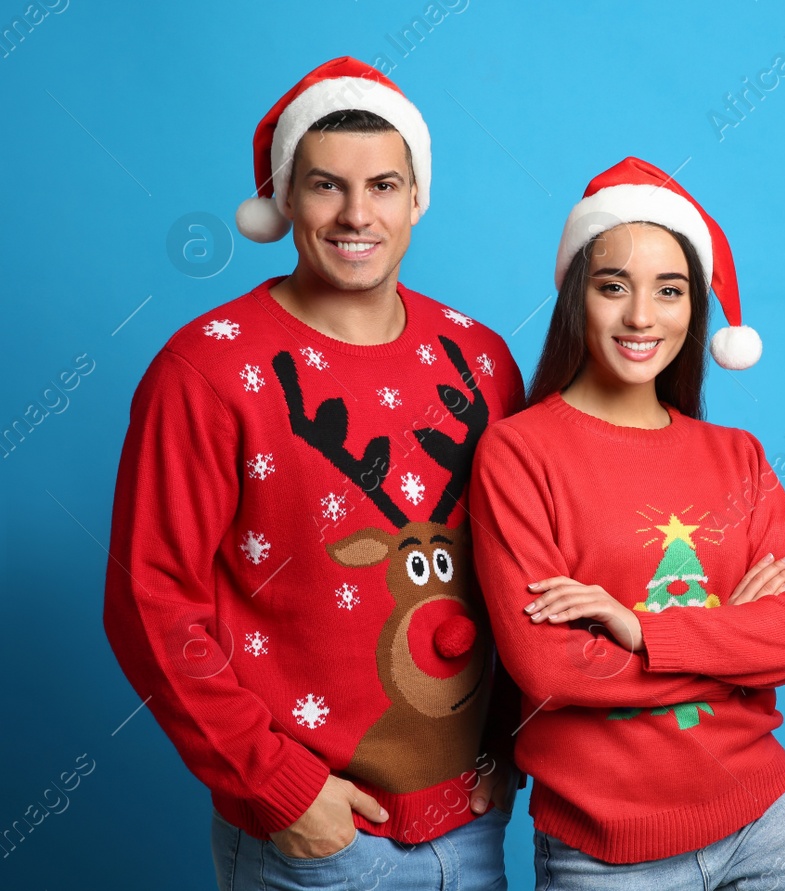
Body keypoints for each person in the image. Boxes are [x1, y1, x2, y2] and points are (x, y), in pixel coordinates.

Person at [103, 57, 524, 890]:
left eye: (384, 186)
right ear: (286, 197)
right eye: (327, 185)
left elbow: (519, 568)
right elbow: (149, 600)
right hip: (315, 838)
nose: (357, 214)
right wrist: (281, 789)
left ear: (417, 199)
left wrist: (513, 747)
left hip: (470, 827)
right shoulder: (206, 370)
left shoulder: (482, 361)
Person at [468, 157, 785, 889]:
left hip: (763, 807)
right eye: (614, 288)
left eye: (670, 291)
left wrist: (638, 629)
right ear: (578, 298)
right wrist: (732, 647)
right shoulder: (519, 452)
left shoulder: (736, 456)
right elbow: (547, 669)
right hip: (604, 844)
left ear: (694, 309)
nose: (642, 317)